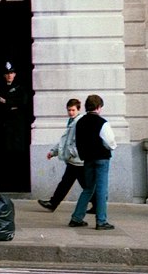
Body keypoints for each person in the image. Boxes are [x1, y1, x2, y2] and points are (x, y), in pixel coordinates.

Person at [68, 94, 116, 230]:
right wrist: (110, 147)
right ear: (99, 107)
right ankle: (101, 220)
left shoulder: (80, 122)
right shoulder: (102, 122)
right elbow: (111, 142)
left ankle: (76, 218)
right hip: (101, 158)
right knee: (101, 190)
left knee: (88, 189)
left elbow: (77, 141)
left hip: (87, 159)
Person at [0, 61, 33, 190]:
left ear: (15, 74)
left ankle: (17, 183)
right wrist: (11, 105)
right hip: (3, 128)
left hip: (17, 128)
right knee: (3, 156)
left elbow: (23, 104)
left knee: (17, 155)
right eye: (7, 73)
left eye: (11, 73)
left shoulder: (20, 87)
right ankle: (4, 184)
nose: (9, 76)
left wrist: (7, 102)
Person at [38, 98, 85, 212]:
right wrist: (54, 152)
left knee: (66, 183)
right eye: (69, 110)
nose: (71, 112)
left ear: (79, 109)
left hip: (76, 160)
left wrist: (71, 154)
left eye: (73, 110)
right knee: (79, 184)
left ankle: (53, 203)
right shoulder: (72, 122)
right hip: (75, 160)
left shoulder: (78, 122)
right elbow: (64, 141)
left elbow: (79, 141)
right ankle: (53, 203)